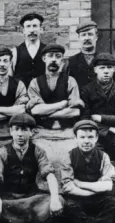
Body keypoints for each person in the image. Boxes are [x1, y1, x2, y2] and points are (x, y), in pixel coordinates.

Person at [0, 113, 63, 223]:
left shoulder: (38, 151)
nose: (20, 134)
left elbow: (50, 175)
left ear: (32, 132)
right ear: (11, 131)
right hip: (9, 199)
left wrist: (54, 199)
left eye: (24, 129)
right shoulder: (2, 152)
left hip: (31, 198)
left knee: (58, 200)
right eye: (16, 129)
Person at [27, 44, 83, 182]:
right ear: (44, 58)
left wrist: (46, 111)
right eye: (50, 56)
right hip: (42, 133)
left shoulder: (70, 81)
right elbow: (35, 110)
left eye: (58, 57)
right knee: (45, 160)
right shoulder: (35, 83)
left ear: (62, 61)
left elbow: (75, 111)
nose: (54, 60)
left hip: (66, 133)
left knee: (69, 159)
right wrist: (62, 104)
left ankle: (67, 190)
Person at [61, 120, 115, 223]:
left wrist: (80, 183)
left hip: (99, 199)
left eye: (90, 137)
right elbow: (68, 186)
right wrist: (92, 190)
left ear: (96, 138)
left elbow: (108, 185)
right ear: (75, 138)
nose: (86, 141)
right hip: (77, 199)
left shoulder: (104, 156)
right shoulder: (68, 156)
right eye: (82, 137)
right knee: (68, 206)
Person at [80, 53, 115, 160]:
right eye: (102, 68)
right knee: (93, 156)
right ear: (95, 70)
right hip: (94, 135)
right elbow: (85, 119)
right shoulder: (86, 90)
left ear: (114, 69)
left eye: (109, 67)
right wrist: (108, 129)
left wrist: (100, 118)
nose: (106, 71)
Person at [10, 12, 47, 87]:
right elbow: (10, 79)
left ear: (41, 29)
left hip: (43, 96)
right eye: (28, 26)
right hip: (22, 96)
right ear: (23, 30)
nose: (32, 30)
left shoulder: (48, 51)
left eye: (35, 26)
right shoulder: (15, 52)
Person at [66, 21, 99, 88]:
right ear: (79, 38)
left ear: (96, 37)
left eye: (90, 34)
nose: (87, 38)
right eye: (83, 35)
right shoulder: (71, 62)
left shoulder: (104, 60)